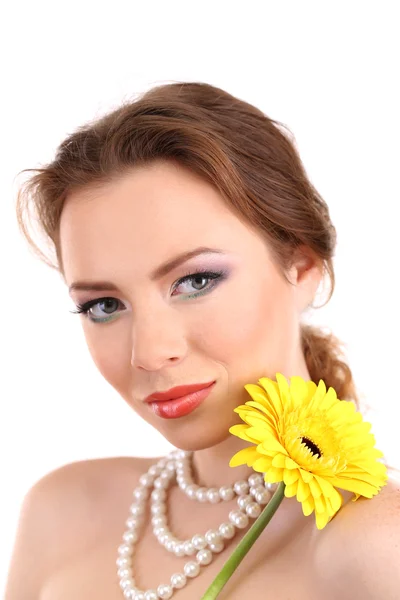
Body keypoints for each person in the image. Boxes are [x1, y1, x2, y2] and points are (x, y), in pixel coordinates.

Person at [5, 82, 399, 600]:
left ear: (302, 267)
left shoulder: (373, 545)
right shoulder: (59, 512)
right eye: (104, 305)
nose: (148, 353)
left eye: (195, 281)